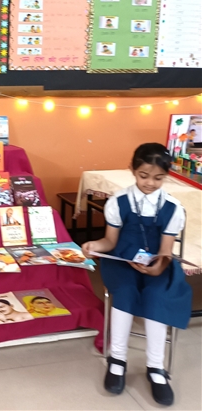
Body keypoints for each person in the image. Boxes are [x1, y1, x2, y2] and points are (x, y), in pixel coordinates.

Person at [82, 143, 191, 406]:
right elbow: (110, 242)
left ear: (167, 176)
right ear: (132, 170)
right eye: (144, 176)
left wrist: (159, 267)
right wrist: (94, 245)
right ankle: (117, 359)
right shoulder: (118, 202)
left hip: (157, 264)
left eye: (158, 178)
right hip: (122, 261)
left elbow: (165, 251)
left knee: (156, 295)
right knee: (125, 292)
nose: (150, 183)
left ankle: (156, 367)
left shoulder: (172, 207)